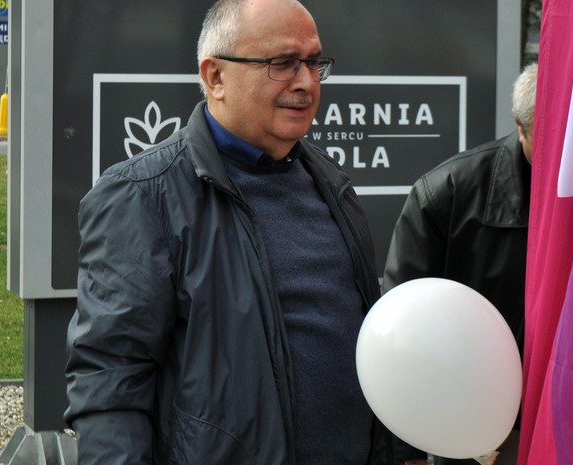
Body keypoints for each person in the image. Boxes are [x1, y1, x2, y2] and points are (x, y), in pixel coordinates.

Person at [64, 1, 423, 464]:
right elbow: (111, 376)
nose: (306, 82)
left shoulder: (330, 182)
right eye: (283, 63)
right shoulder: (142, 195)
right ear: (215, 76)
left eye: (313, 62)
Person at [382, 63, 538, 465]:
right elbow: (401, 329)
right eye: (548, 143)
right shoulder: (446, 194)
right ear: (520, 126)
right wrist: (409, 450)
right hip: (471, 428)